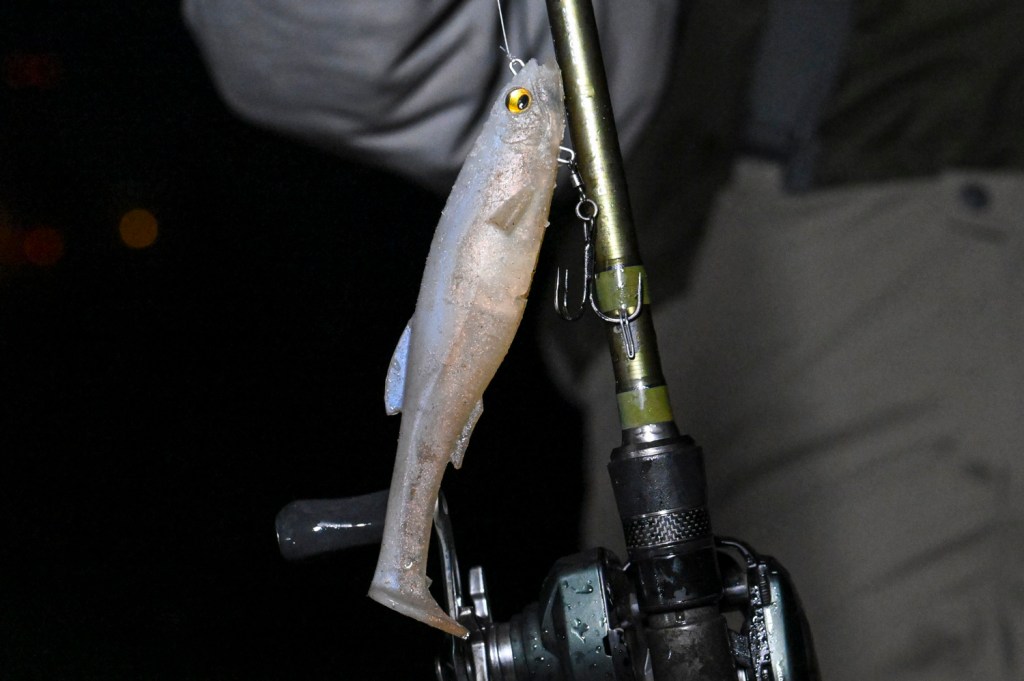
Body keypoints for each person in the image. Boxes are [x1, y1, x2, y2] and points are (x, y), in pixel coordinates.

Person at [183, 1, 1024, 679]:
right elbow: (356, 52)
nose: (532, 98)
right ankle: (402, 561)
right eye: (522, 107)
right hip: (853, 250)